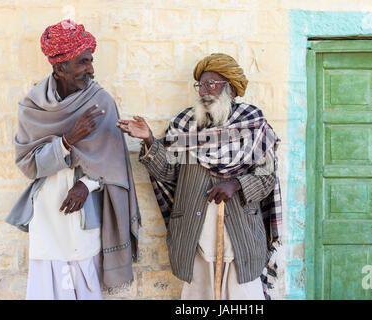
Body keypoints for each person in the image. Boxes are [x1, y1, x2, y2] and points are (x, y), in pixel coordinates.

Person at [117, 53, 282, 300]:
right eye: (200, 85)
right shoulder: (184, 124)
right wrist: (150, 140)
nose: (204, 91)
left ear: (231, 89)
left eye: (211, 84)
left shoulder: (253, 125)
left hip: (241, 237)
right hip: (196, 235)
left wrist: (236, 184)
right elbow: (168, 172)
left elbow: (267, 176)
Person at [5, 20, 141, 300]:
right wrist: (67, 140)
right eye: (83, 62)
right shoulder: (32, 107)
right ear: (60, 68)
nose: (91, 69)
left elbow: (113, 161)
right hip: (48, 213)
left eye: (91, 61)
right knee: (48, 284)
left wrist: (86, 186)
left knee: (84, 277)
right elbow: (29, 166)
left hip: (83, 210)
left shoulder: (101, 101)